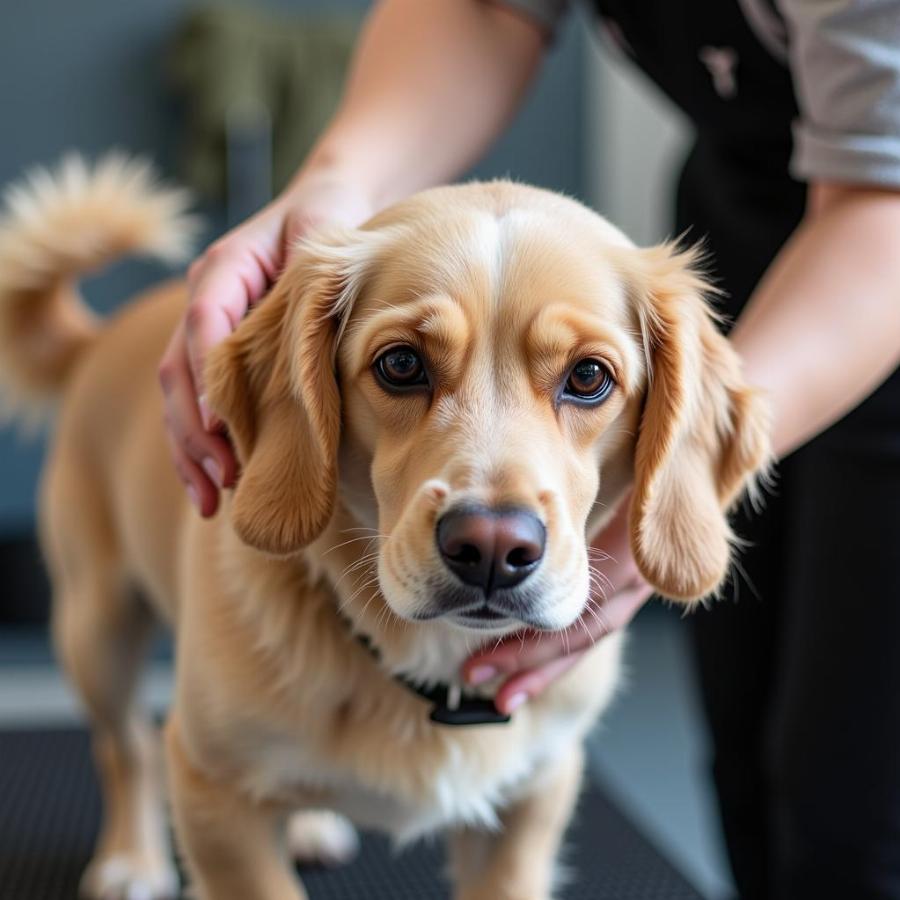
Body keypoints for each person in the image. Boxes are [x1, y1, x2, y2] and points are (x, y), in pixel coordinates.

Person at [157, 2, 900, 897]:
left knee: (853, 803)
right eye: (402, 365)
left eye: (584, 379)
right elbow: (484, 9)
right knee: (746, 759)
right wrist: (337, 184)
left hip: (878, 253)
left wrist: (670, 502)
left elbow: (884, 202)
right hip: (740, 203)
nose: (492, 520)